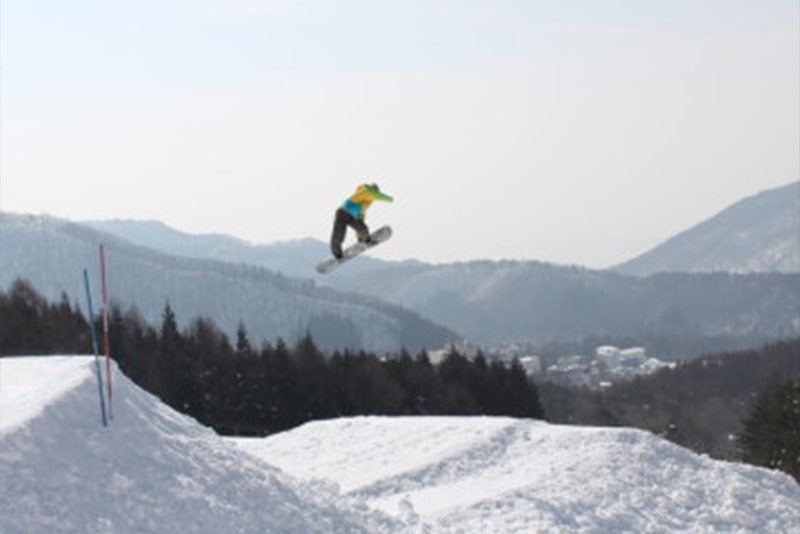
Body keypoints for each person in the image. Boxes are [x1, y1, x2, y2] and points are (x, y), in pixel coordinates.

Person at [330, 183, 393, 259]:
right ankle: (337, 254)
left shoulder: (367, 202)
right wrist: (390, 199)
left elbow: (361, 217)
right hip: (342, 213)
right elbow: (377, 196)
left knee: (363, 228)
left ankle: (364, 239)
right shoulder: (365, 191)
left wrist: (360, 237)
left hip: (352, 217)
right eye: (375, 193)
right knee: (339, 234)